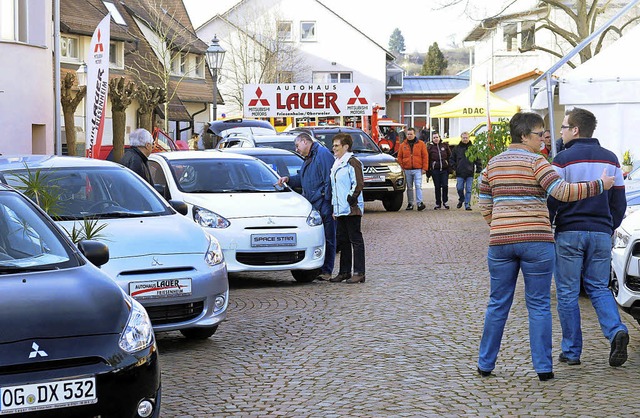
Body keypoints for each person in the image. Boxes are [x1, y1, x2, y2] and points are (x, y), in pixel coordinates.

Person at [477, 111, 615, 382]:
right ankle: (543, 368)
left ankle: (485, 363)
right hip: (537, 243)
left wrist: (501, 226)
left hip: (501, 243)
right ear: (524, 135)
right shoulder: (537, 163)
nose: (543, 138)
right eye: (539, 134)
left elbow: (484, 204)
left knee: (497, 304)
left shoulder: (492, 165)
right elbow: (562, 192)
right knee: (539, 305)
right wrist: (600, 184)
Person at [548, 107, 629, 367]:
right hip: (601, 232)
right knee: (598, 287)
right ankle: (616, 330)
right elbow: (619, 201)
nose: (560, 131)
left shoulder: (562, 159)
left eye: (563, 126)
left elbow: (553, 196)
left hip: (570, 231)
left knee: (568, 292)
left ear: (575, 130)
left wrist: (550, 224)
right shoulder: (611, 159)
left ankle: (571, 351)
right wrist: (609, 226)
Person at [277, 133, 336, 281]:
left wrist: (328, 203)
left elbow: (329, 180)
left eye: (297, 145)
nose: (296, 149)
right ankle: (320, 269)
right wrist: (289, 180)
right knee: (320, 238)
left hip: (323, 203)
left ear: (305, 141)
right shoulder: (310, 157)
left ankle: (327, 270)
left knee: (328, 238)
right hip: (314, 204)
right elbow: (304, 180)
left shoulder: (321, 154)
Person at [329, 133, 366, 284]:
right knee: (343, 241)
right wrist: (334, 206)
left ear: (346, 146)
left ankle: (359, 272)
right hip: (340, 209)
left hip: (351, 208)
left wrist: (351, 199)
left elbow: (358, 183)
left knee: (355, 240)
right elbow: (335, 187)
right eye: (333, 145)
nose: (334, 148)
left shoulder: (352, 162)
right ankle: (344, 272)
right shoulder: (337, 162)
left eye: (336, 145)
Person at [396, 128, 429, 211]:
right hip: (407, 169)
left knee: (418, 186)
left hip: (418, 169)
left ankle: (419, 203)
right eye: (408, 134)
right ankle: (410, 203)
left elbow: (425, 156)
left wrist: (425, 168)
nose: (409, 136)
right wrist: (402, 167)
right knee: (409, 187)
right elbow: (399, 157)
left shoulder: (421, 144)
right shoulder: (403, 145)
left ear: (415, 134)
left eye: (411, 134)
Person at [450, 131, 481, 210]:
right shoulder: (456, 148)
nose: (465, 139)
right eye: (463, 138)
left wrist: (478, 170)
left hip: (469, 172)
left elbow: (478, 160)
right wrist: (454, 167)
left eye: (466, 138)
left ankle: (467, 204)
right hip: (460, 172)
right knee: (459, 188)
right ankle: (461, 199)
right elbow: (451, 159)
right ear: (461, 138)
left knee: (469, 189)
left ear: (469, 138)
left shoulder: (473, 148)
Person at [427, 132, 451, 210]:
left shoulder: (445, 146)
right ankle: (438, 203)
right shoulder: (430, 148)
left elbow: (450, 157)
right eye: (434, 138)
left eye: (437, 137)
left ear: (439, 137)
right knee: (437, 187)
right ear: (432, 139)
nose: (435, 139)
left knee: (445, 186)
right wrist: (428, 172)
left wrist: (449, 168)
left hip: (444, 169)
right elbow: (428, 160)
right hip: (435, 170)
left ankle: (445, 201)